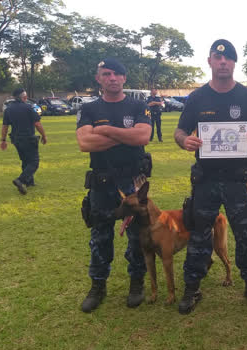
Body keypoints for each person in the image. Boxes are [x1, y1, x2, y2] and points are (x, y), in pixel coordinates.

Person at [174, 39, 247, 315]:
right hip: (205, 180)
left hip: (237, 179)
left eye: (228, 58)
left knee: (246, 235)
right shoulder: (197, 98)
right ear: (209, 61)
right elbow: (180, 131)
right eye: (217, 58)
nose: (223, 62)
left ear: (233, 63)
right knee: (198, 235)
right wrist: (185, 141)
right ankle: (191, 287)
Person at [76, 58, 153, 313]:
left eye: (117, 74)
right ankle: (98, 285)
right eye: (106, 74)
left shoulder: (138, 105)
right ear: (99, 78)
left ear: (124, 78)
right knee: (100, 236)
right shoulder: (89, 109)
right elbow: (85, 143)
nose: (112, 78)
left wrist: (106, 131)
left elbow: (143, 136)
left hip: (133, 181)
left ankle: (136, 282)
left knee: (137, 236)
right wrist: (123, 137)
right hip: (102, 183)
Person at [0, 88, 47, 195]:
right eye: (25, 97)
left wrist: (3, 140)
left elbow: (5, 127)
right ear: (23, 97)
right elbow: (37, 124)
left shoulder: (8, 109)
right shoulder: (28, 108)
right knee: (34, 162)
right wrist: (44, 136)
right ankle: (20, 180)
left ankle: (29, 182)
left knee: (26, 161)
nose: (26, 98)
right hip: (28, 138)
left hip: (16, 140)